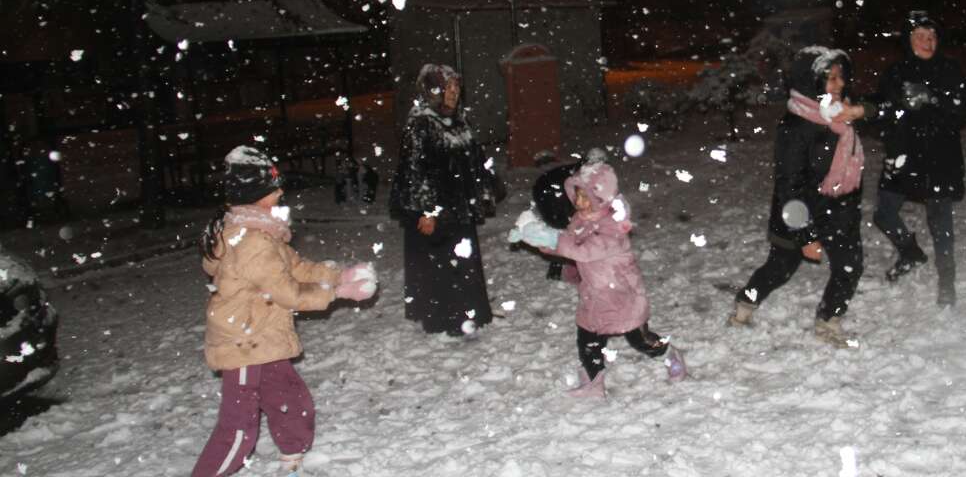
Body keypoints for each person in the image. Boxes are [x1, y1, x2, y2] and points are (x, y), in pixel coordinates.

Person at [192, 146, 377, 477]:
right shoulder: (252, 242)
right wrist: (337, 292)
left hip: (262, 337)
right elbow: (288, 292)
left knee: (291, 400)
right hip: (243, 342)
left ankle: (292, 461)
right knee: (238, 427)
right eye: (272, 188)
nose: (279, 193)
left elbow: (297, 268)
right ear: (253, 195)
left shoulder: (262, 232)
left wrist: (340, 275)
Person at [726, 46, 870, 348]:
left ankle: (828, 320)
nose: (840, 84)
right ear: (812, 81)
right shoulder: (795, 127)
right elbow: (789, 186)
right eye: (831, 78)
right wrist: (805, 237)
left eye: (841, 76)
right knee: (779, 269)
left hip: (839, 209)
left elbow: (884, 111)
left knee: (850, 266)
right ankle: (746, 302)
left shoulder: (842, 113)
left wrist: (864, 110)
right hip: (800, 213)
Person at [508, 157, 687, 397]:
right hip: (594, 295)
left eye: (586, 197)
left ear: (601, 197)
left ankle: (669, 353)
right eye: (577, 195)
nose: (579, 202)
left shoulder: (614, 227)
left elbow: (585, 251)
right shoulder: (580, 220)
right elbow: (569, 244)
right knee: (588, 342)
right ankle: (594, 382)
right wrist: (537, 239)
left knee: (640, 340)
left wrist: (552, 238)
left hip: (623, 297)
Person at [868, 14, 966, 307]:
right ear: (908, 40)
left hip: (940, 157)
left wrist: (933, 97)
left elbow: (962, 109)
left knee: (940, 224)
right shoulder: (896, 72)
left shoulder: (949, 69)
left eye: (932, 36)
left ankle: (947, 282)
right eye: (921, 36)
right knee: (884, 214)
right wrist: (871, 112)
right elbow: (882, 110)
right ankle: (910, 252)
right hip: (904, 156)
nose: (928, 42)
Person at [389, 64, 501, 337]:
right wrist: (426, 211)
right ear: (432, 91)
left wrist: (486, 187)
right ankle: (446, 320)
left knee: (463, 260)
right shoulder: (421, 124)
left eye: (456, 86)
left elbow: (474, 158)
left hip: (460, 206)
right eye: (447, 87)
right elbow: (415, 171)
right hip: (437, 210)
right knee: (441, 265)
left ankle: (470, 314)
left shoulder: (458, 121)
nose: (453, 92)